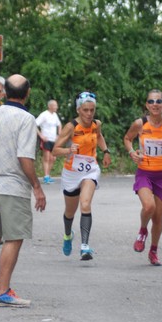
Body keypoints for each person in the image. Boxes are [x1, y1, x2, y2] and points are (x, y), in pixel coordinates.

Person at [0, 74, 46, 307]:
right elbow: (25, 157)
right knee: (14, 237)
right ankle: (2, 290)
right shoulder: (27, 119)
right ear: (28, 93)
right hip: (13, 186)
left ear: (5, 93)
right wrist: (37, 187)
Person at [123, 89, 162, 266]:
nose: (155, 105)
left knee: (158, 218)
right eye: (151, 102)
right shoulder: (140, 124)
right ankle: (142, 231)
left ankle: (153, 251)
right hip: (145, 172)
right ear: (146, 105)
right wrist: (131, 153)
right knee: (148, 206)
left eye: (158, 102)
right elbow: (127, 138)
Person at [52, 91, 111, 261]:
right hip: (71, 173)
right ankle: (68, 234)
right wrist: (67, 150)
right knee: (70, 212)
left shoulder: (96, 124)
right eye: (85, 110)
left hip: (90, 169)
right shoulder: (71, 127)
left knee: (85, 205)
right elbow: (55, 149)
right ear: (78, 110)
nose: (89, 114)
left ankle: (85, 246)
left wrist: (105, 151)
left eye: (92, 110)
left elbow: (99, 137)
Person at [36, 99, 62, 184]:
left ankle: (48, 175)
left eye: (56, 105)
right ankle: (46, 176)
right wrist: (41, 136)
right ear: (50, 106)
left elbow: (59, 125)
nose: (56, 107)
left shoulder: (55, 115)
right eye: (55, 105)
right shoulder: (44, 115)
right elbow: (34, 125)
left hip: (54, 140)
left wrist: (59, 134)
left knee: (53, 158)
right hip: (46, 139)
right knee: (46, 158)